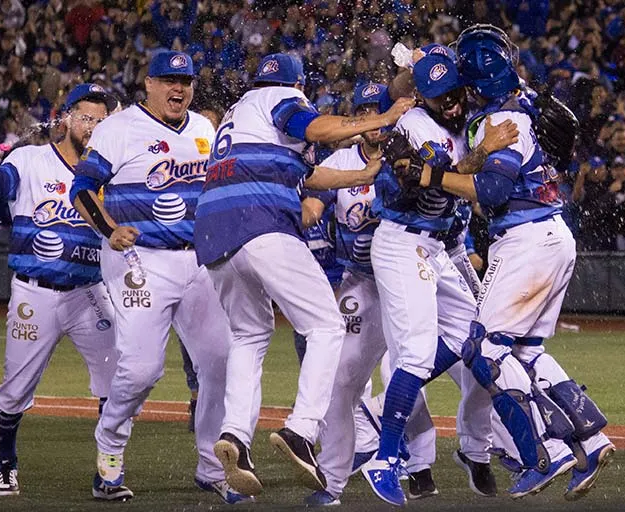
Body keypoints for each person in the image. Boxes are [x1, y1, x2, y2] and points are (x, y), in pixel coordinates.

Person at [193, 53, 414, 497]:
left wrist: (363, 172)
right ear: (295, 85)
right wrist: (387, 115)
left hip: (213, 231)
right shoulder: (281, 96)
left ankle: (235, 434)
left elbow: (308, 175)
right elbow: (314, 129)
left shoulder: (239, 117)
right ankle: (301, 428)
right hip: (260, 221)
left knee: (249, 336)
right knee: (326, 325)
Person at [418, 24, 615, 500]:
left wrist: (430, 175)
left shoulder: (497, 120)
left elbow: (491, 191)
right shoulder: (525, 102)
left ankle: (543, 454)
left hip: (525, 238)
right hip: (553, 233)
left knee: (484, 352)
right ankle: (589, 439)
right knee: (526, 354)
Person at [69, 51, 250, 505]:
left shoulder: (205, 129)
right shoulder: (119, 127)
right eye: (168, 79)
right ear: (147, 83)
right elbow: (82, 189)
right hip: (139, 258)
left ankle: (212, 468)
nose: (178, 88)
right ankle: (109, 449)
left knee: (221, 362)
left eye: (185, 80)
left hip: (198, 260)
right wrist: (108, 229)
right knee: (142, 368)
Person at [359, 47, 516, 507]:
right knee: (414, 354)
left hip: (436, 245)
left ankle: (396, 397)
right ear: (424, 97)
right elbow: (431, 176)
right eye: (441, 97)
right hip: (401, 241)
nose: (451, 103)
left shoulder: (459, 120)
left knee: (473, 329)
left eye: (455, 94)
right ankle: (386, 457)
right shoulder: (412, 125)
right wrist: (485, 150)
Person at [0, 83, 123, 499]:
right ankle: (5, 461)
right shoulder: (31, 159)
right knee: (16, 388)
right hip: (34, 293)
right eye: (86, 116)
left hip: (88, 291)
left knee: (118, 376)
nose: (92, 125)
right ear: (66, 117)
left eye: (100, 118)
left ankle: (109, 470)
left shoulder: (110, 173)